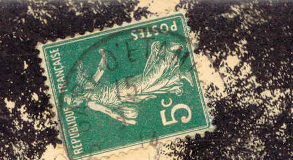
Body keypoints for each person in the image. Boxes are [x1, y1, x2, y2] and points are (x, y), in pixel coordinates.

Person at [63, 41, 195, 126]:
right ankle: (180, 75)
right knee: (152, 86)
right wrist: (125, 119)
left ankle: (169, 50)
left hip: (122, 88)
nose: (75, 103)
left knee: (149, 79)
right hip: (125, 94)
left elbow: (100, 70)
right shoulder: (90, 102)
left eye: (73, 99)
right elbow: (109, 111)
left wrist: (103, 56)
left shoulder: (88, 91)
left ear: (74, 94)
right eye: (73, 104)